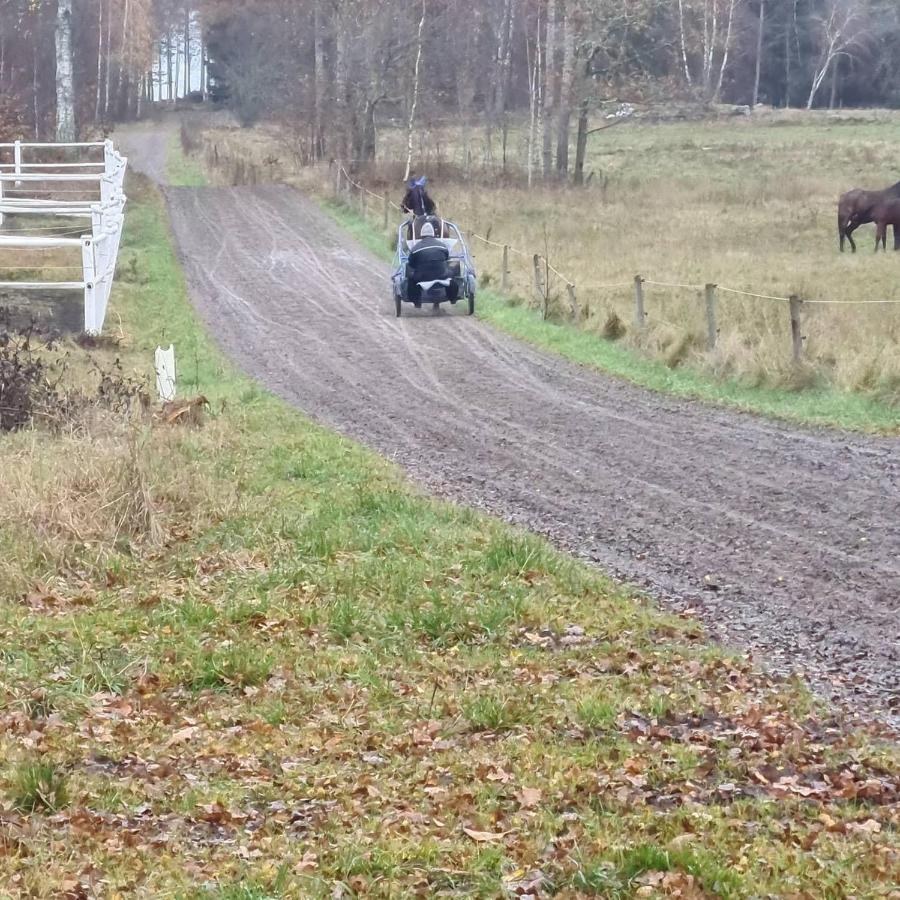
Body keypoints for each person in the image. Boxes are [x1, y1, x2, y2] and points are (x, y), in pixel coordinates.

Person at [407, 222, 458, 302]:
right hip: (442, 275)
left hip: (422, 277)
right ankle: (453, 298)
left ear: (421, 235)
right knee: (452, 275)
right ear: (433, 234)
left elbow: (411, 264)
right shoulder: (442, 246)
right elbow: (446, 258)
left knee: (411, 279)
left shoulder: (415, 248)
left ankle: (416, 301)